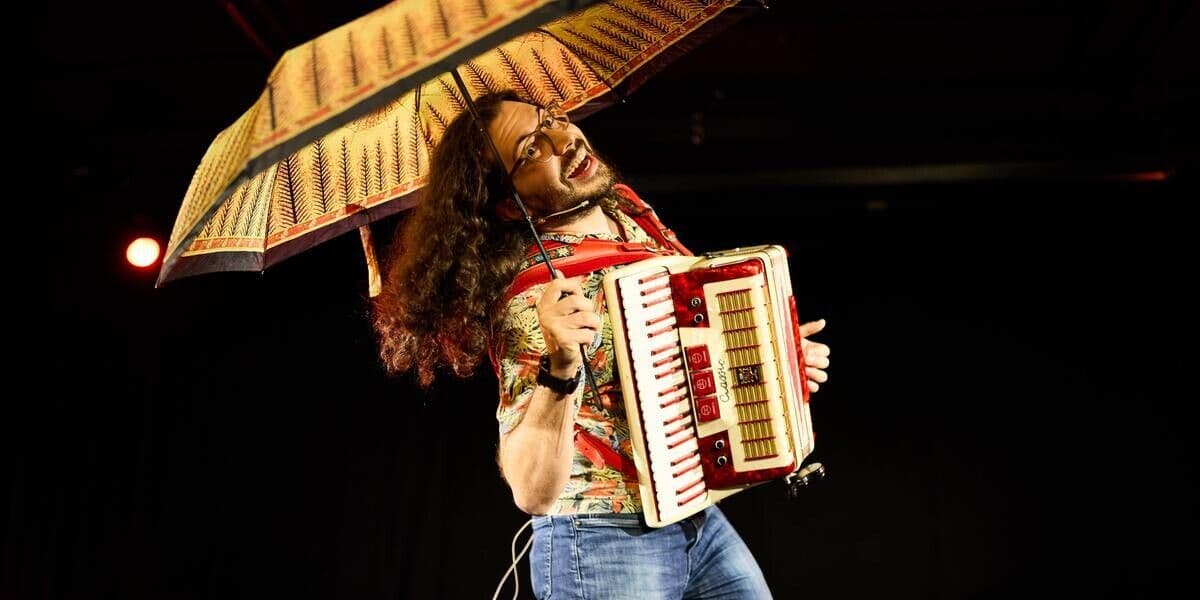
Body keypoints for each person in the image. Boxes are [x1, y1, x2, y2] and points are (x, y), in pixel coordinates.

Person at [372, 90, 831, 599]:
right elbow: (531, 490)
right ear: (509, 203)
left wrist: (773, 363)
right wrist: (561, 365)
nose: (563, 139)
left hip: (690, 513)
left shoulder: (626, 212)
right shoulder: (530, 304)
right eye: (530, 150)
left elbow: (691, 350)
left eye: (553, 120)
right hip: (598, 539)